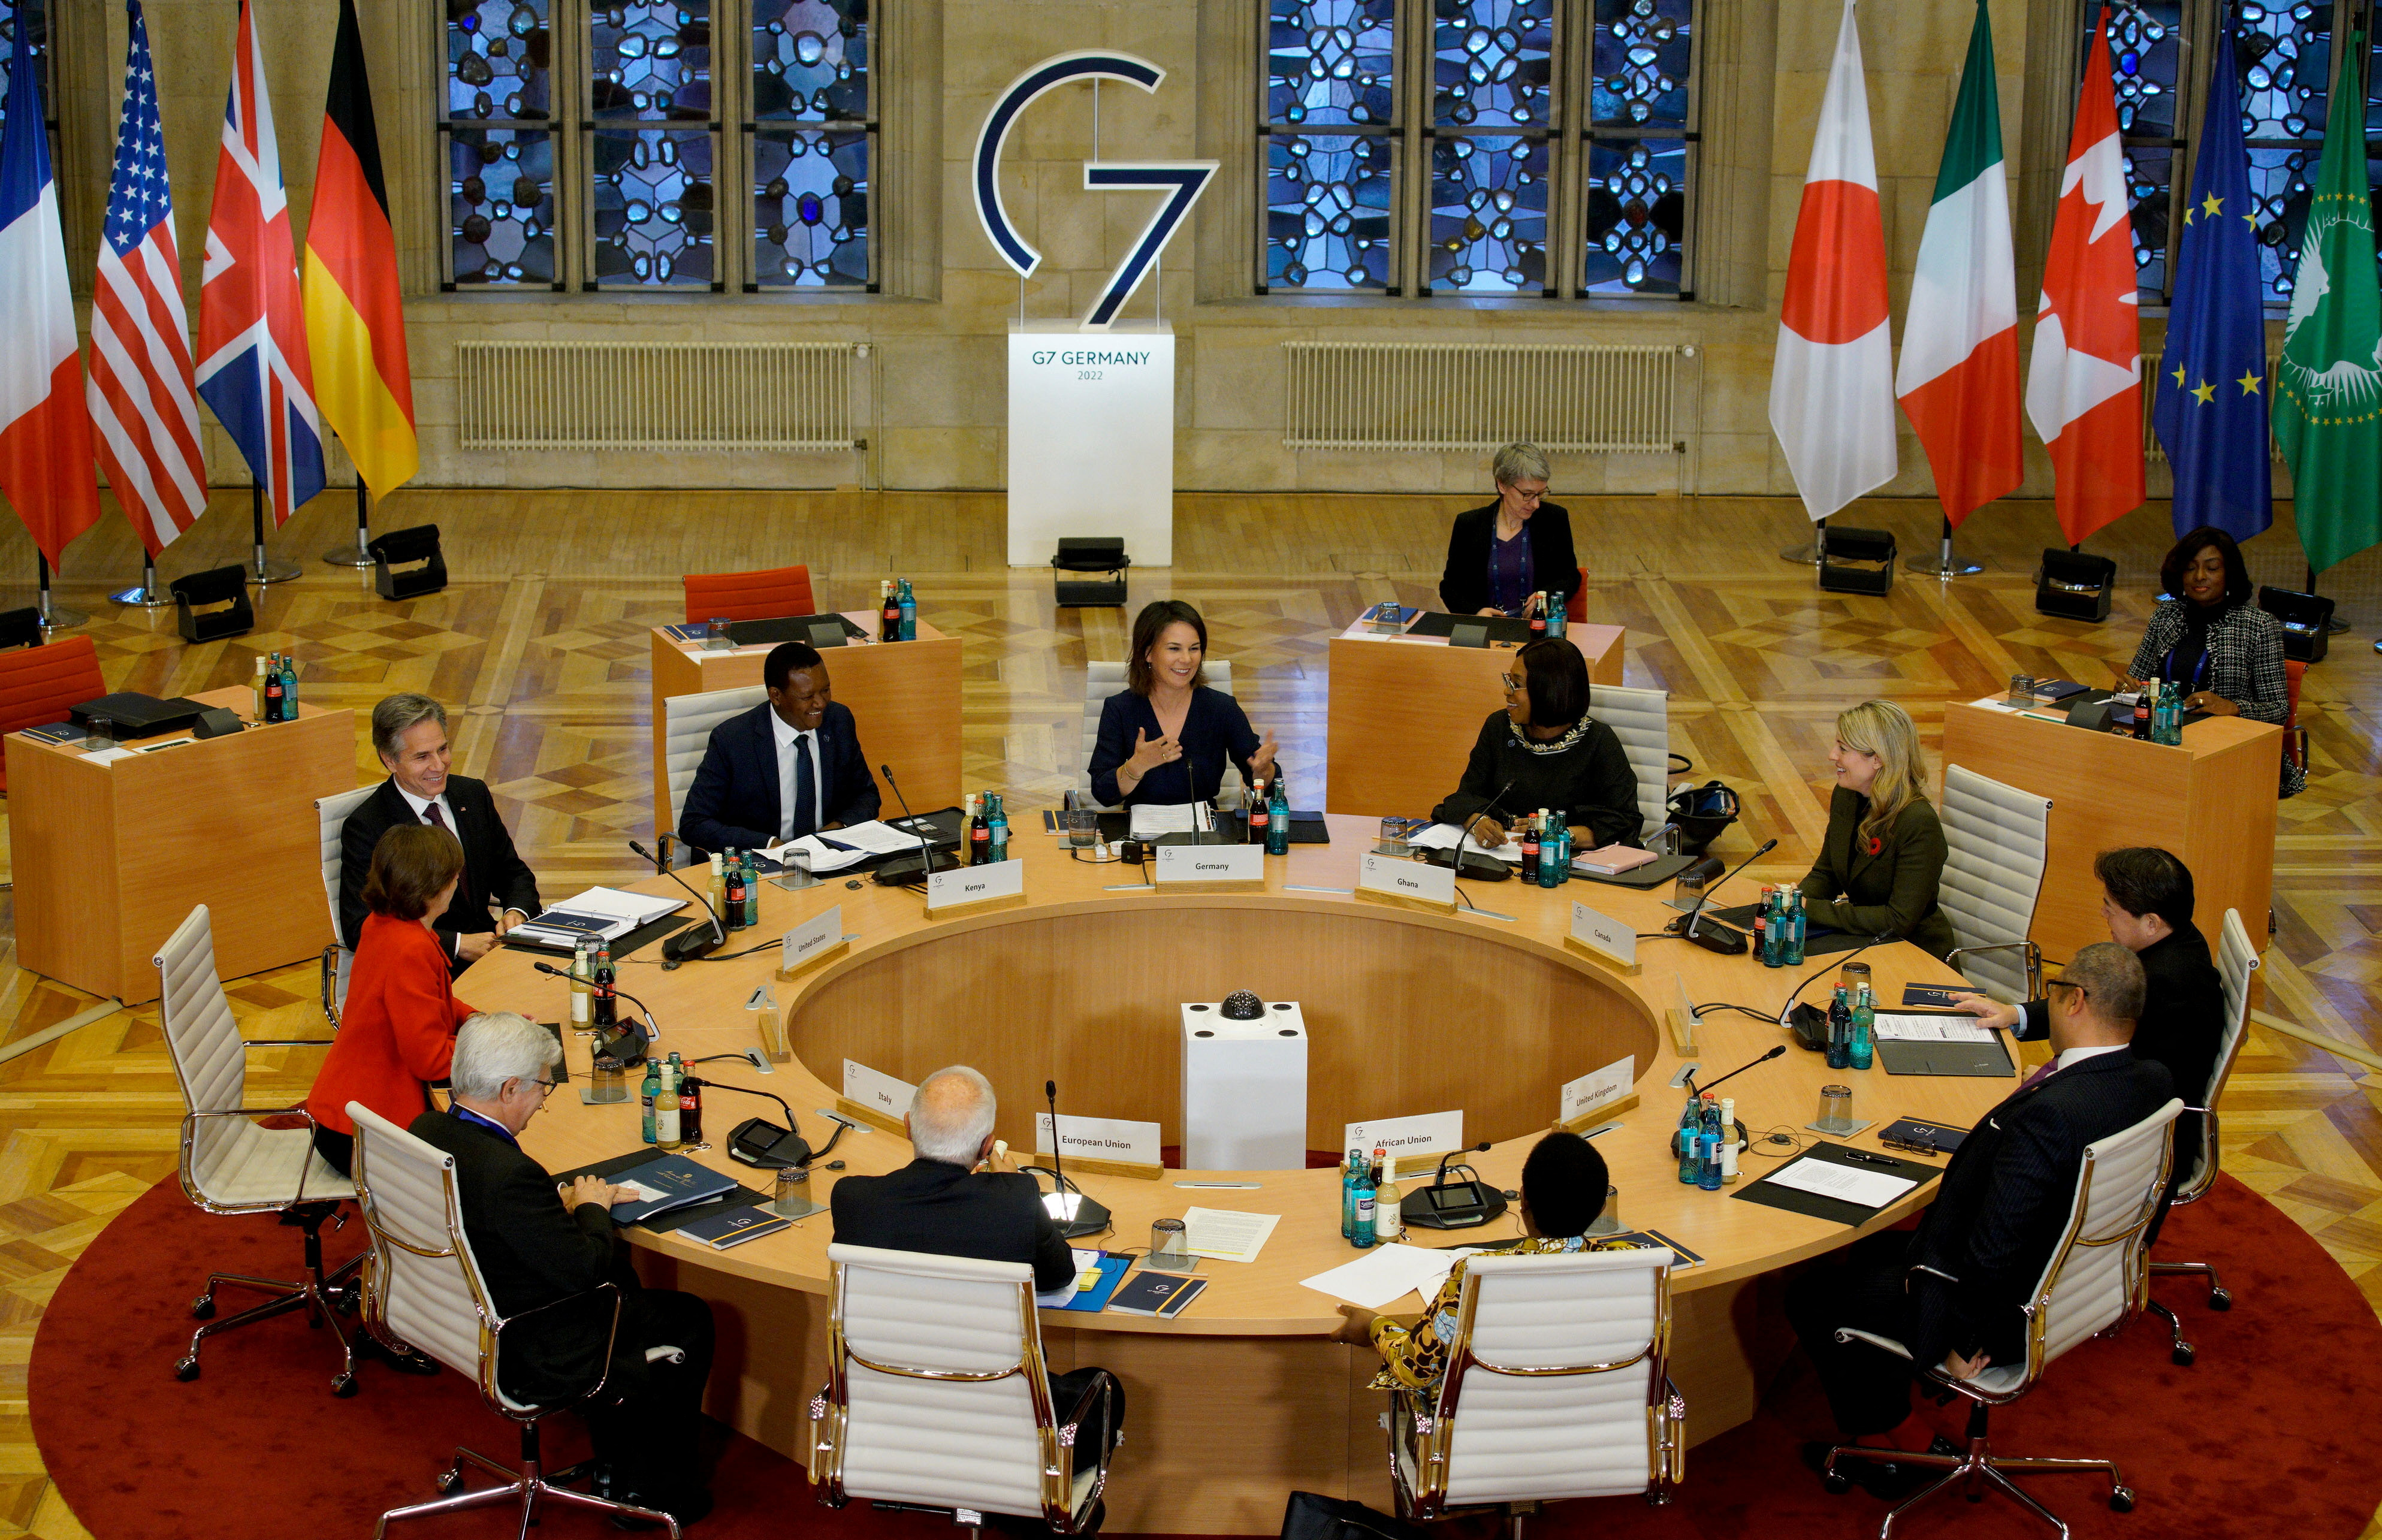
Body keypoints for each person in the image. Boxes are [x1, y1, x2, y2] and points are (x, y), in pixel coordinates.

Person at [1784, 944, 2174, 1496]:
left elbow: (1996, 1248)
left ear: (2076, 1002)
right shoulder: (2154, 1079)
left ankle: (1900, 1444)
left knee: (1813, 1295)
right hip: (2075, 1286)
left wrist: (1960, 1341)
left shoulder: (2049, 1116)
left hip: (2001, 1313)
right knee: (1871, 1255)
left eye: (2054, 992)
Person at [407, 1012, 716, 1527]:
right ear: (510, 1089)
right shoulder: (509, 1174)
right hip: (531, 1340)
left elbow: (498, 1218)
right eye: (541, 1090)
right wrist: (592, 1206)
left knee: (632, 1291)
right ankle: (652, 1491)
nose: (540, 1104)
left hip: (457, 1311)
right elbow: (587, 1269)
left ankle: (619, 1442)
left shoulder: (428, 1127)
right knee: (687, 1318)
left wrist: (555, 1209)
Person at [830, 1067, 1123, 1516]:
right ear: (988, 1145)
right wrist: (1004, 1183)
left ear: (908, 1127)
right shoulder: (1014, 1200)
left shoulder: (852, 1200)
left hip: (892, 1425)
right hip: (1007, 1430)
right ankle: (1031, 1502)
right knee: (1105, 1389)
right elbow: (1059, 1275)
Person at [1955, 847, 2224, 1234]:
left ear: (2150, 922)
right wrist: (2017, 1015)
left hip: (2138, 1148)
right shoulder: (2178, 939)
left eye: (2111, 908)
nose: (2104, 915)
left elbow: (2122, 1086)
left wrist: (2051, 1082)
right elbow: (2094, 1002)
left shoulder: (2166, 984)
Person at [1332, 1130, 1640, 1393]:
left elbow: (1415, 1370)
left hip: (1492, 1445)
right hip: (1594, 1437)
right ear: (1601, 1208)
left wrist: (1375, 1326)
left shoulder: (1477, 1275)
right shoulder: (1634, 1264)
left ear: (1524, 1201)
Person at [308, 825, 477, 1177]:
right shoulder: (411, 948)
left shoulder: (383, 923)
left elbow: (433, 999)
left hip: (347, 1114)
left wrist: (480, 1021)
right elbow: (430, 1061)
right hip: (366, 1135)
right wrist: (493, 1048)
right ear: (436, 888)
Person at [340, 693, 542, 976]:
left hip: (497, 952)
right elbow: (360, 929)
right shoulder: (368, 826)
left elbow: (512, 873)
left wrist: (516, 912)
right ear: (390, 761)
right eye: (422, 757)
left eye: (443, 749)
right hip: (429, 968)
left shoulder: (472, 795)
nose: (439, 765)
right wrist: (457, 944)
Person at [2121, 525, 2302, 796]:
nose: (2200, 577)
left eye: (2212, 568)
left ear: (2229, 573)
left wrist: (2231, 707)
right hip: (2162, 742)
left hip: (2229, 751)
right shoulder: (2166, 615)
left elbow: (2278, 711)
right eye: (2191, 568)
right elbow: (2138, 680)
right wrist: (2129, 687)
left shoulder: (2258, 626)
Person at [1430, 636, 1640, 852]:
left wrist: (1556, 836)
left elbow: (1625, 824)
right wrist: (1478, 823)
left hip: (1570, 865)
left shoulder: (1599, 742)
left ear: (1548, 691)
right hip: (1502, 857)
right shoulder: (1499, 727)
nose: (1506, 691)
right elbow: (1465, 797)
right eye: (1508, 680)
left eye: (1517, 684)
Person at [679, 640, 881, 855]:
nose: (821, 703)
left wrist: (837, 829)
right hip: (760, 863)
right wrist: (770, 844)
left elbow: (866, 795)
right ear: (776, 696)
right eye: (807, 697)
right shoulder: (733, 740)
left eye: (825, 690)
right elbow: (694, 823)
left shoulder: (838, 721)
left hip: (829, 855)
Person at [1796, 700, 1955, 959]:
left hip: (1912, 951)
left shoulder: (1918, 823)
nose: (1832, 755)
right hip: (1862, 939)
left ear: (1878, 759)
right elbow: (1827, 874)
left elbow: (1899, 919)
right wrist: (1792, 903)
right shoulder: (1847, 796)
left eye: (1843, 748)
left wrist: (1810, 910)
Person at [1086, 599, 1278, 809]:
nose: (1187, 659)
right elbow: (1103, 792)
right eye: (1174, 649)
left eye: (1194, 649)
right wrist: (1136, 766)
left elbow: (1266, 784)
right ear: (1148, 653)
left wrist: (1263, 771)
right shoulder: (1120, 709)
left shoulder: (1222, 708)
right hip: (1140, 835)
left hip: (1205, 833)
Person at [1438, 442, 1578, 618]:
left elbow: (1571, 577)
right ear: (1502, 485)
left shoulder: (1554, 519)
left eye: (1541, 494)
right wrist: (1476, 613)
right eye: (1527, 495)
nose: (1536, 504)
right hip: (1485, 632)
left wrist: (1546, 598)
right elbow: (1450, 588)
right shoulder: (1470, 525)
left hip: (1539, 632)